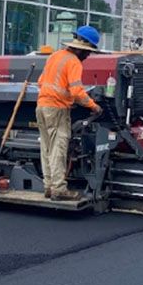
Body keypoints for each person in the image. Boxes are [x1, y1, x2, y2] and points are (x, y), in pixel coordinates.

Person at [36, 25, 104, 200]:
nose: (88, 56)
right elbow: (76, 92)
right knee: (58, 147)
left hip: (42, 106)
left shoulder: (54, 56)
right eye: (87, 52)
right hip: (57, 109)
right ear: (82, 49)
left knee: (46, 147)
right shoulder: (73, 62)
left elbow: (41, 82)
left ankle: (49, 186)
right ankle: (59, 189)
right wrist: (93, 106)